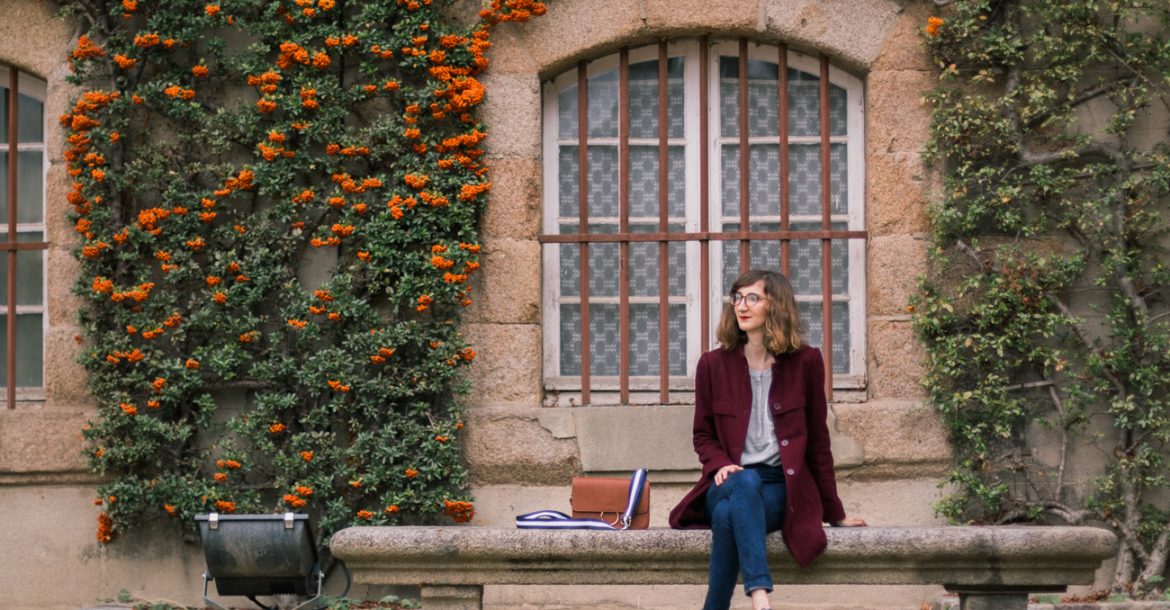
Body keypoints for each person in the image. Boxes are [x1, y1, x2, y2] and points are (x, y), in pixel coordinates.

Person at [668, 269, 866, 610]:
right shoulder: (712, 365)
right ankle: (760, 594)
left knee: (727, 517)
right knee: (742, 484)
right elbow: (703, 435)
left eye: (752, 298)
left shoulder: (806, 362)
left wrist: (834, 512)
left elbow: (818, 443)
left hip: (778, 486)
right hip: (727, 480)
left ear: (775, 305)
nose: (741, 306)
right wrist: (720, 464)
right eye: (737, 298)